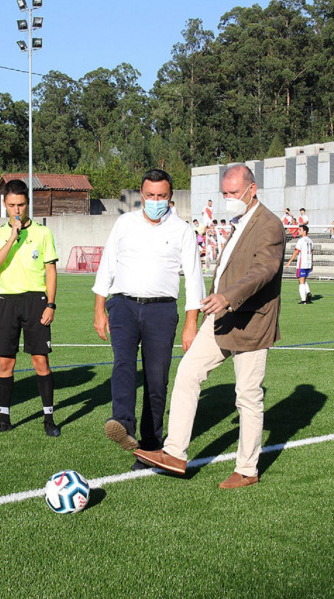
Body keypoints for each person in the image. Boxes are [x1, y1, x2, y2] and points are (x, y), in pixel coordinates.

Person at [133, 165, 285, 490]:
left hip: (251, 323)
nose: (228, 199)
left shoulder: (269, 225)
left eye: (233, 193)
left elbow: (262, 272)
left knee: (247, 396)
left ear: (252, 189)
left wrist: (228, 298)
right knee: (188, 372)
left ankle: (247, 470)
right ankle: (175, 453)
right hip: (221, 318)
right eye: (225, 193)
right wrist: (217, 304)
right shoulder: (238, 222)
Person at [92, 169, 205, 470]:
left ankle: (151, 447)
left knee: (157, 379)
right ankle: (123, 425)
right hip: (123, 306)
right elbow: (107, 265)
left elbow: (194, 278)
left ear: (170, 197)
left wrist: (191, 323)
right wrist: (99, 308)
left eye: (162, 196)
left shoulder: (182, 230)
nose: (155, 201)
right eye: (150, 195)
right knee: (123, 365)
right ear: (141, 195)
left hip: (162, 310)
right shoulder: (124, 223)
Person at [0, 179, 60, 437]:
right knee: (5, 362)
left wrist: (50, 304)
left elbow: (51, 270)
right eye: (11, 205)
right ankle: (4, 418)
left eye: (21, 204)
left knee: (41, 361)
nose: (16, 210)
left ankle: (48, 418)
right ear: (4, 205)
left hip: (35, 301)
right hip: (7, 302)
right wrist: (12, 238)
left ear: (28, 204)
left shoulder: (42, 233)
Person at [286, 224, 313, 304]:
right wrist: (312, 264)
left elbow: (296, 251)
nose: (298, 231)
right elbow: (312, 253)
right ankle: (308, 292)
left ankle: (303, 300)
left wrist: (289, 261)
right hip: (308, 263)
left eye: (300, 230)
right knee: (303, 279)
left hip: (302, 263)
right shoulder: (310, 241)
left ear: (304, 231)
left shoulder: (301, 240)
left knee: (301, 281)